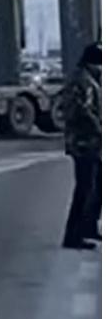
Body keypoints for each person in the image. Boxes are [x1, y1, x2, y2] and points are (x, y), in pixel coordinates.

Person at [62, 42, 101, 250]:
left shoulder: (90, 79)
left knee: (97, 187)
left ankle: (88, 226)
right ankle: (73, 235)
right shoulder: (82, 81)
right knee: (84, 190)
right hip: (84, 143)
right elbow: (83, 112)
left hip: (93, 143)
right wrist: (100, 130)